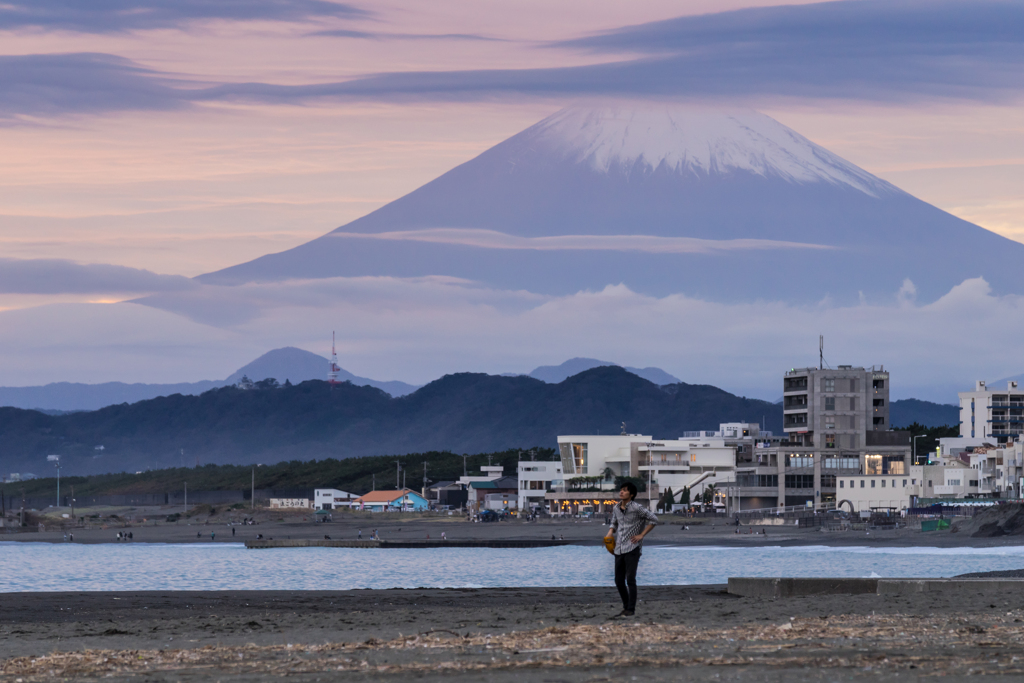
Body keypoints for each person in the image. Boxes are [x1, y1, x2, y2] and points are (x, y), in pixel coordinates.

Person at [604, 481, 658, 618]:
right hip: (618, 548)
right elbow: (614, 521)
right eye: (621, 489)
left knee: (631, 579)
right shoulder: (616, 507)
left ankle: (631, 609)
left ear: (631, 494)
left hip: (633, 547)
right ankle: (626, 606)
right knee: (618, 580)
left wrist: (641, 535)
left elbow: (654, 519)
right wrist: (610, 532)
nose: (621, 492)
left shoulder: (637, 508)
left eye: (625, 490)